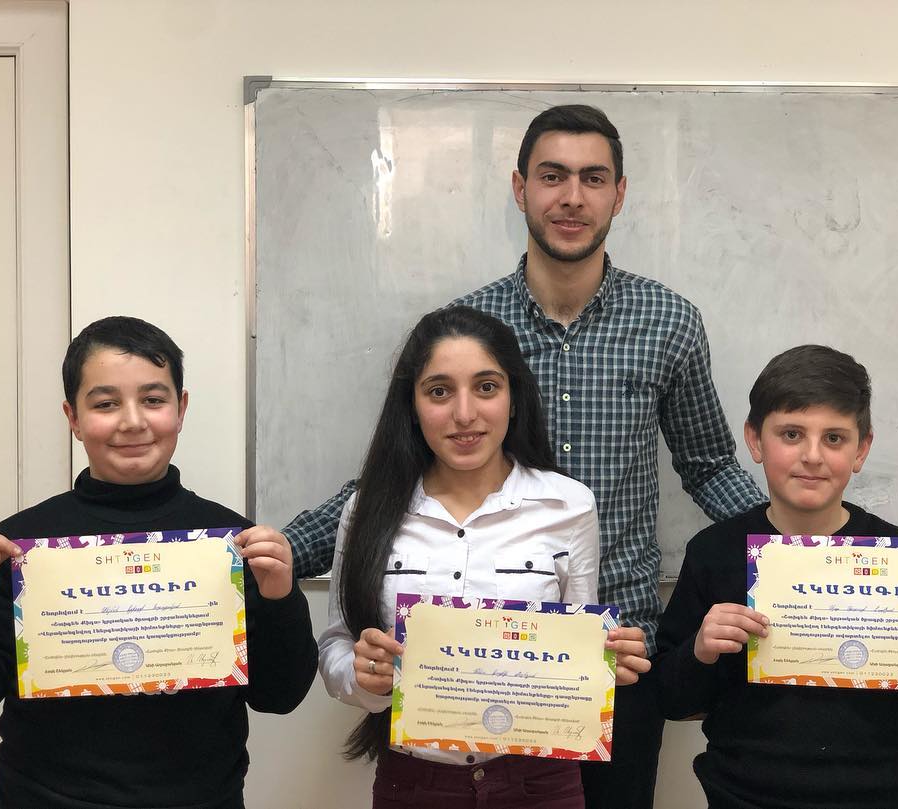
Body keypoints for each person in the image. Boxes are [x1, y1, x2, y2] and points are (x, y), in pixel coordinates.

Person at [242, 103, 763, 807]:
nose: (571, 197)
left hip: (618, 658)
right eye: (552, 176)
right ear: (520, 188)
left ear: (619, 193)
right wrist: (274, 553)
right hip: (469, 671)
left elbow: (709, 467)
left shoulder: (669, 321)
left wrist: (796, 557)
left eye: (592, 178)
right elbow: (394, 478)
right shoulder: (473, 332)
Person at [0, 316, 318, 809]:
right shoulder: (20, 546)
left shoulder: (231, 542)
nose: (133, 421)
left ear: (181, 409)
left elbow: (280, 696)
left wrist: (279, 597)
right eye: (105, 404)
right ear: (73, 418)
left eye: (153, 399)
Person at [653, 344, 898, 808]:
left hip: (874, 798)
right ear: (755, 440)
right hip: (739, 796)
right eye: (791, 434)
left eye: (835, 439)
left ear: (861, 449)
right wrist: (700, 651)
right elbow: (671, 699)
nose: (812, 456)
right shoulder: (714, 552)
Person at [317, 306, 650, 809]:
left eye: (487, 387)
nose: (465, 413)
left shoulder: (568, 504)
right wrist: (364, 679)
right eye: (439, 391)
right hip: (414, 783)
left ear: (514, 399)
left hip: (540, 783)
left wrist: (604, 662)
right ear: (412, 405)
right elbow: (336, 646)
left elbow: (580, 640)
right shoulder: (366, 509)